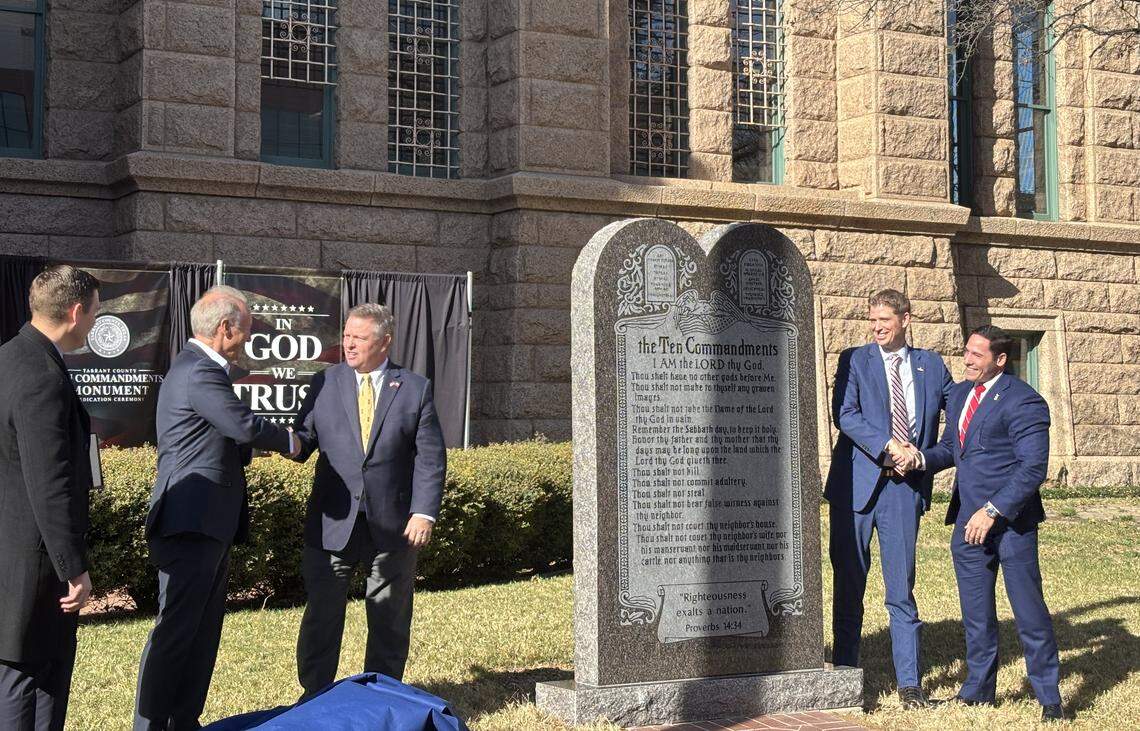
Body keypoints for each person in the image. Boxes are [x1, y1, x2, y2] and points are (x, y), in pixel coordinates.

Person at [134, 286, 298, 731]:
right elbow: (242, 426)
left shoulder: (199, 371)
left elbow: (220, 438)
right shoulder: (200, 372)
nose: (248, 338)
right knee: (177, 633)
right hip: (190, 523)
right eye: (246, 329)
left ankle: (184, 721)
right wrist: (294, 441)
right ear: (225, 328)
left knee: (202, 634)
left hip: (208, 523)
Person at [292, 303, 446, 698]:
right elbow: (302, 439)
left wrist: (424, 512)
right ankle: (315, 695)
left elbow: (430, 457)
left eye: (359, 337)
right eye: (346, 335)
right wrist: (262, 437)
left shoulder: (414, 387)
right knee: (323, 614)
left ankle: (382, 695)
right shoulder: (325, 382)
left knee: (389, 615)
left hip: (394, 524)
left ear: (385, 342)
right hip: (332, 522)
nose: (349, 344)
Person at [918, 325, 1065, 722]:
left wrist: (993, 510)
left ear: (1000, 360)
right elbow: (953, 447)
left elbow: (1033, 466)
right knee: (976, 614)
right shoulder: (963, 394)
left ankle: (1049, 696)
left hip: (1011, 525)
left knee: (1028, 612)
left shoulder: (1025, 401)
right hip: (967, 524)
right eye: (966, 352)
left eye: (976, 355)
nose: (966, 360)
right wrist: (919, 459)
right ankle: (979, 689)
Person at [823, 289, 953, 708]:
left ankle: (910, 684)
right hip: (856, 489)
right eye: (872, 319)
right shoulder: (854, 359)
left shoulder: (931, 365)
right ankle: (845, 674)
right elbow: (845, 415)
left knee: (902, 588)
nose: (878, 327)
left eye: (886, 320)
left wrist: (920, 457)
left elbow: (959, 415)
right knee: (849, 583)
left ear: (906, 319)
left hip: (903, 489)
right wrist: (888, 447)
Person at [0, 265, 100, 731]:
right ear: (77, 312)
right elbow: (50, 481)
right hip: (34, 562)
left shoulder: (8, 357)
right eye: (96, 313)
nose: (95, 323)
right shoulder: (42, 375)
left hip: (10, 552)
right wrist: (72, 567)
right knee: (32, 678)